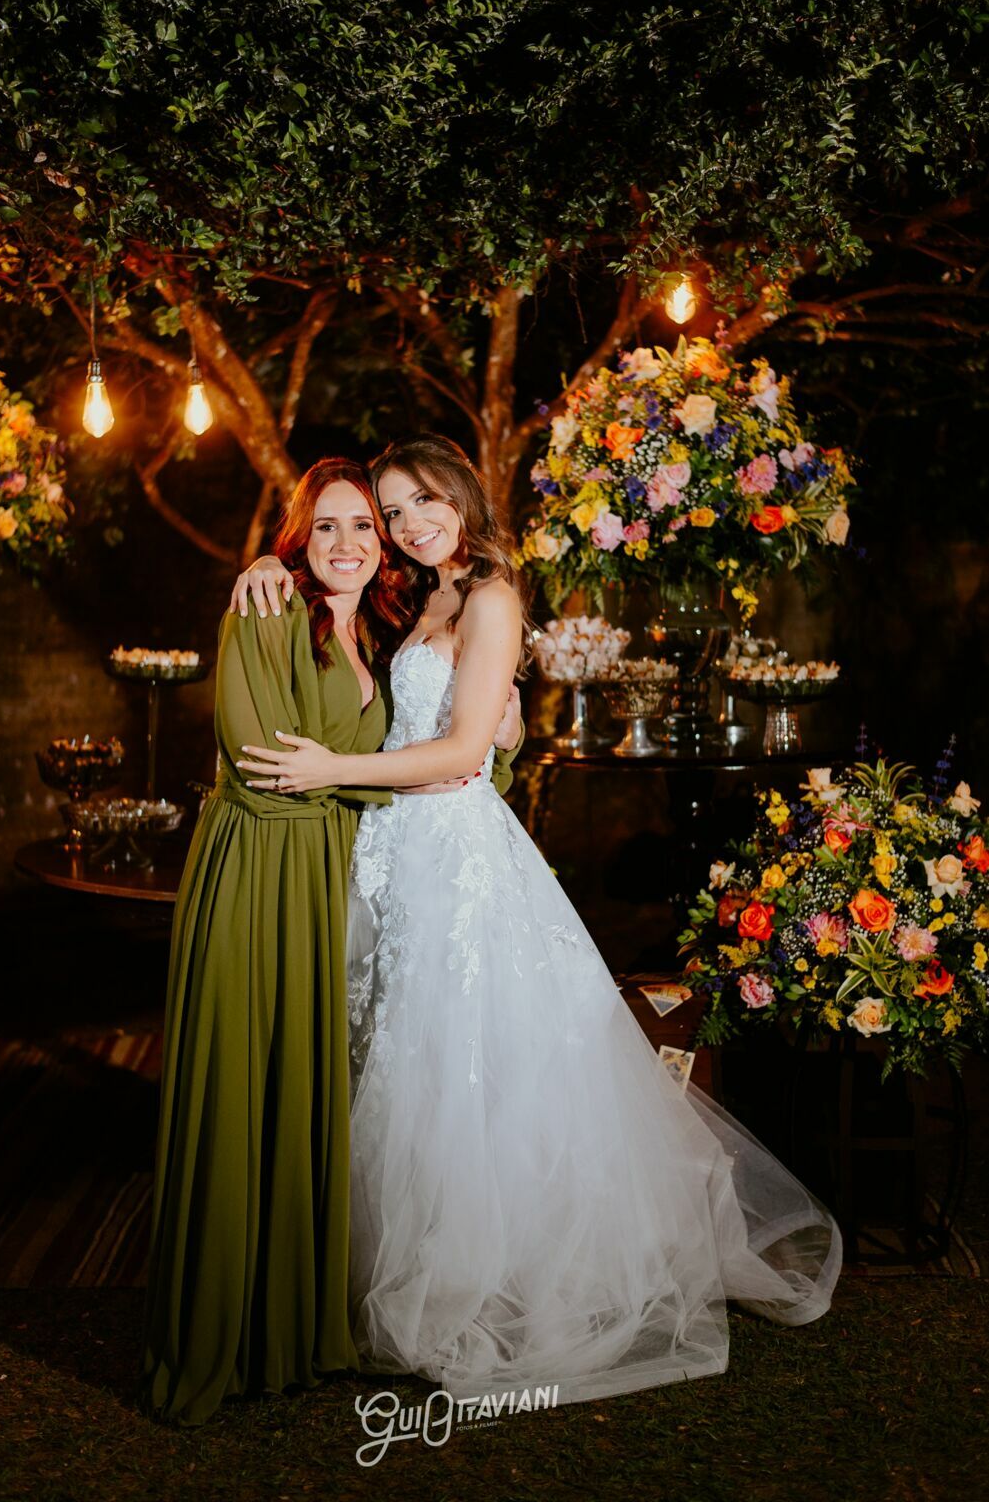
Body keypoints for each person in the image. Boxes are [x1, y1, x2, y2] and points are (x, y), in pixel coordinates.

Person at [233, 434, 843, 1407]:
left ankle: (481, 1282)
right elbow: (396, 679)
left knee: (464, 1071)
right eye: (391, 512)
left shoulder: (491, 598)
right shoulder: (422, 595)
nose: (407, 523)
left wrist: (327, 769)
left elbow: (462, 751)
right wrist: (274, 556)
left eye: (423, 500)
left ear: (464, 498)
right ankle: (369, 1272)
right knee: (404, 1060)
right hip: (397, 851)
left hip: (454, 856)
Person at [139, 455, 523, 1426]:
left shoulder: (388, 623)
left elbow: (434, 747)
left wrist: (482, 755)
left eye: (374, 522)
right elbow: (267, 763)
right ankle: (221, 1332)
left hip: (332, 881)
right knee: (245, 1089)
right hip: (262, 878)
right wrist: (420, 775)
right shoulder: (267, 609)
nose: (356, 541)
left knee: (316, 1095)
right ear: (295, 542)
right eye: (333, 527)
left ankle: (301, 1327)